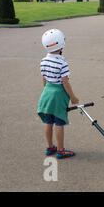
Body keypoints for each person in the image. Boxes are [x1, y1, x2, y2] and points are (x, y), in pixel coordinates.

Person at [37, 29, 79, 159]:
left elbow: (44, 78)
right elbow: (65, 82)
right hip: (58, 95)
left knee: (48, 121)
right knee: (59, 122)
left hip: (47, 93)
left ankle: (50, 147)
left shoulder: (43, 61)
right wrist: (73, 97)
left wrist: (47, 90)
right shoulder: (62, 63)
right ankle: (61, 150)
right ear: (61, 44)